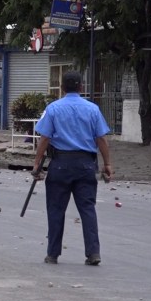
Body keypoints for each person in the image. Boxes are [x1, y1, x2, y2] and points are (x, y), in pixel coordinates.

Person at [31, 71, 113, 266]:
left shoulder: (53, 109)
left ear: (62, 88)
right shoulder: (92, 109)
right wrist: (107, 164)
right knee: (87, 209)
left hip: (60, 164)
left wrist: (36, 164)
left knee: (56, 209)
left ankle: (53, 254)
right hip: (86, 164)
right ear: (81, 88)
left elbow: (44, 139)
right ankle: (93, 253)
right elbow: (101, 139)